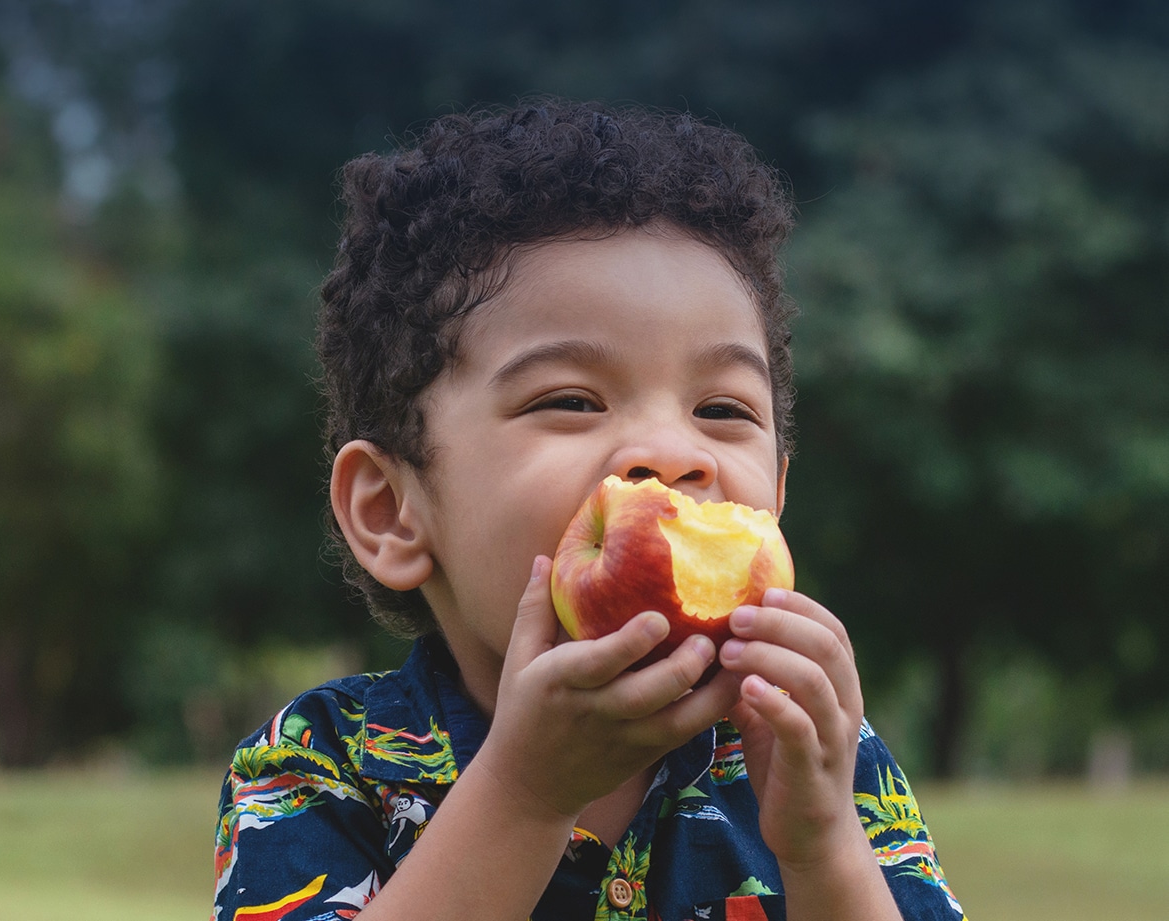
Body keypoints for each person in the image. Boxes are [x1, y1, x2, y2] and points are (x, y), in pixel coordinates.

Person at [211, 100, 967, 921]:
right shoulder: (320, 764)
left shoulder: (822, 757)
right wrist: (526, 794)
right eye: (572, 399)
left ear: (777, 494)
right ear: (392, 508)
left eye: (722, 409)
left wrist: (822, 845)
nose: (672, 453)